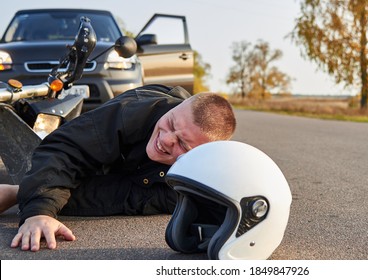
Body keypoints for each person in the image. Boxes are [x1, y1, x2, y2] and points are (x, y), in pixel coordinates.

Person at [0, 84, 236, 252]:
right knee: (70, 165)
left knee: (124, 193)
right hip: (105, 145)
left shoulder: (191, 179)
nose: (166, 140)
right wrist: (39, 211)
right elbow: (64, 149)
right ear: (175, 109)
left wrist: (21, 194)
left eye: (182, 143)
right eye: (171, 122)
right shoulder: (131, 111)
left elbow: (118, 197)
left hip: (145, 176)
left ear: (201, 156)